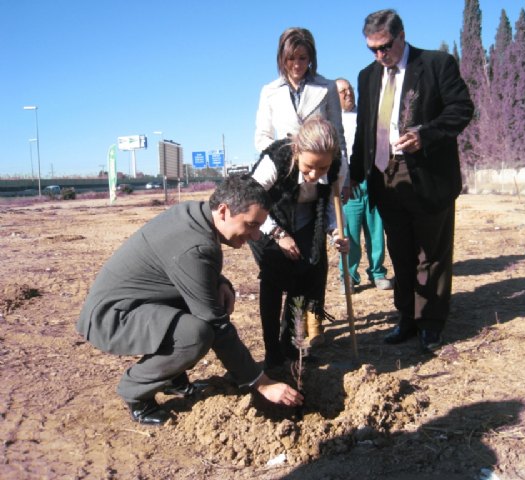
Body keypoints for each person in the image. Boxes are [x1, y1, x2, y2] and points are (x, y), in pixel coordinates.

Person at [76, 176, 304, 425]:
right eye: (251, 225)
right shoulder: (196, 245)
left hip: (136, 304)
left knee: (200, 309)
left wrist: (219, 281)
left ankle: (173, 379)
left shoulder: (196, 215)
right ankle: (135, 391)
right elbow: (216, 324)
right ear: (224, 211)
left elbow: (184, 265)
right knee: (196, 334)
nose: (257, 236)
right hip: (113, 317)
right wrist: (261, 383)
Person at [349, 9, 473, 353]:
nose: (379, 55)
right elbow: (364, 131)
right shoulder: (367, 76)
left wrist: (426, 134)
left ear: (401, 35)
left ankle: (431, 323)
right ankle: (406, 316)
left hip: (427, 175)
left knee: (430, 254)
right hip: (383, 178)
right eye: (372, 49)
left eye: (385, 47)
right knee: (400, 252)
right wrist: (354, 175)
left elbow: (461, 109)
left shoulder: (437, 64)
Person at [249, 117, 349, 369]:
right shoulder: (276, 159)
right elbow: (251, 200)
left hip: (306, 221)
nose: (315, 175)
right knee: (273, 278)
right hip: (267, 218)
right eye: (308, 167)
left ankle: (291, 346)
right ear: (297, 151)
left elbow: (330, 206)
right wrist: (278, 234)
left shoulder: (338, 165)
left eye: (323, 168)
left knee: (305, 277)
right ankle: (273, 353)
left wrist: (337, 233)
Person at [255, 27, 349, 191]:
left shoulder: (328, 88)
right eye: (291, 58)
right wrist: (288, 156)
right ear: (281, 58)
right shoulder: (269, 92)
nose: (297, 65)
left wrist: (344, 179)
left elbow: (338, 137)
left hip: (321, 178)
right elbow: (262, 138)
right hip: (284, 178)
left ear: (311, 58)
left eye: (303, 58)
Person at [336, 77, 392, 294]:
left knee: (376, 231)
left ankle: (377, 273)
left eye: (349, 89)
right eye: (342, 91)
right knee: (348, 232)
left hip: (372, 181)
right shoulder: (332, 121)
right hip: (348, 184)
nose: (348, 93)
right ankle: (348, 276)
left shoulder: (366, 117)